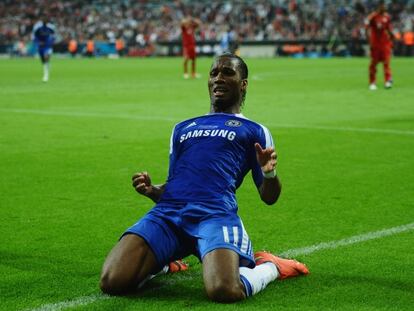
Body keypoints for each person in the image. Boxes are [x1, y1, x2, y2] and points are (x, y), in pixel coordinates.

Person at [100, 53, 309, 303]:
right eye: (213, 73)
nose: (218, 77)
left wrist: (269, 172)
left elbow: (269, 197)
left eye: (227, 72)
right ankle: (164, 263)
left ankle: (271, 267)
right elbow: (176, 185)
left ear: (243, 84)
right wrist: (153, 190)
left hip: (215, 215)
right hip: (169, 214)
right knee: (112, 281)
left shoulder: (254, 130)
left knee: (225, 290)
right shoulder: (183, 128)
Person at [365, 1, 395, 90]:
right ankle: (372, 82)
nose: (384, 7)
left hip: (385, 44)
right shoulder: (372, 17)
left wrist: (392, 38)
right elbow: (366, 28)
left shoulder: (387, 17)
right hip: (375, 44)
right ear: (378, 7)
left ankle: (387, 81)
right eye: (382, 6)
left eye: (384, 6)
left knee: (386, 63)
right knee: (373, 64)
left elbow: (389, 29)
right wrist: (368, 40)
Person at [32, 17, 55, 82]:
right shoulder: (37, 27)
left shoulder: (51, 27)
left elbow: (54, 35)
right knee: (43, 61)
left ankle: (46, 75)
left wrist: (51, 42)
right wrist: (38, 42)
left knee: (46, 57)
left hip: (48, 45)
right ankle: (47, 66)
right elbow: (34, 36)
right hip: (40, 46)